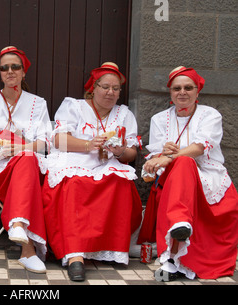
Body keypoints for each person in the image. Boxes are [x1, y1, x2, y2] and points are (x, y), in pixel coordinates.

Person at [42, 62, 143, 281]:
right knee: (75, 183)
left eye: (116, 89)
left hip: (108, 162)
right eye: (105, 87)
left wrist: (120, 151)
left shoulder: (124, 114)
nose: (110, 92)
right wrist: (89, 145)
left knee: (119, 182)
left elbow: (131, 153)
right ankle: (75, 255)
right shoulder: (74, 106)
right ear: (93, 88)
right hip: (75, 158)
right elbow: (59, 140)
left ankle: (111, 249)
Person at [138, 66, 238, 282]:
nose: (182, 92)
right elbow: (155, 156)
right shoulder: (159, 118)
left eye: (188, 88)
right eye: (177, 88)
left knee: (184, 161)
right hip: (173, 177)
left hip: (208, 174)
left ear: (197, 91)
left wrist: (170, 156)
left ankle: (178, 234)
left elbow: (201, 147)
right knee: (182, 163)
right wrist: (162, 155)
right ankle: (178, 229)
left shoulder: (210, 115)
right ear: (170, 93)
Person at [0, 46, 51, 273]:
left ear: (24, 71)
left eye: (15, 67)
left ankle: (20, 231)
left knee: (26, 158)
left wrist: (21, 147)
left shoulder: (38, 103)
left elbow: (45, 142)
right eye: (4, 68)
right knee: (26, 161)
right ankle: (25, 245)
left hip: (26, 164)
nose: (10, 71)